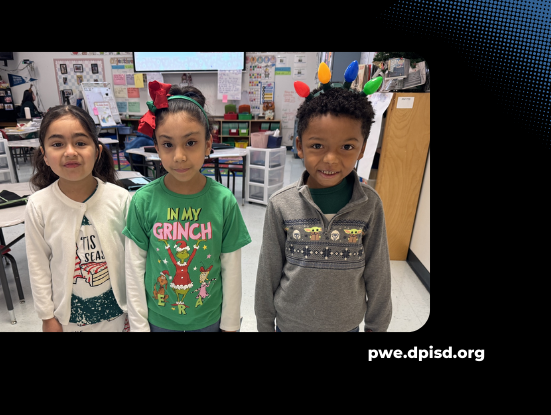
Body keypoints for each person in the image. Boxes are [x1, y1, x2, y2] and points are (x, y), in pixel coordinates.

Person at [255, 83, 392, 332]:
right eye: (317, 146)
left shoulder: (370, 205)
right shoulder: (280, 204)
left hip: (346, 326)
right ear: (299, 146)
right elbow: (268, 273)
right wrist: (264, 325)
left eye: (347, 147)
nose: (330, 159)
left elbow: (379, 272)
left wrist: (377, 326)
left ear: (362, 148)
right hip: (289, 325)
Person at [123, 81, 251, 332]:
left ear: (208, 144)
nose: (179, 156)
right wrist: (139, 326)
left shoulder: (224, 201)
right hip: (158, 321)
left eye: (190, 143)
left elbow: (232, 269)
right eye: (168, 144)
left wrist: (231, 325)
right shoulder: (143, 200)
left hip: (209, 320)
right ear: (157, 147)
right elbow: (134, 268)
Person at [24, 105, 131, 332]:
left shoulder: (120, 199)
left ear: (98, 150)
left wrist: (135, 309)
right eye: (57, 144)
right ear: (44, 154)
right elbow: (38, 266)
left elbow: (133, 259)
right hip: (68, 319)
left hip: (118, 314)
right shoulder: (39, 205)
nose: (70, 152)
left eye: (81, 143)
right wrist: (46, 316)